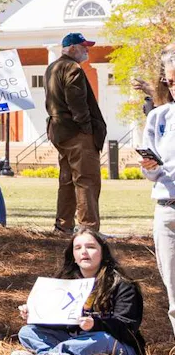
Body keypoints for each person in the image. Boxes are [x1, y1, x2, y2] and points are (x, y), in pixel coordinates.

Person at [12, 231, 145, 355]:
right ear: (73, 256)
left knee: (100, 340)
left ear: (103, 253)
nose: (84, 252)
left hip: (114, 343)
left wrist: (95, 324)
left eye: (91, 247)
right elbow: (58, 321)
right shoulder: (65, 283)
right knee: (27, 332)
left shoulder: (123, 285)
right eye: (78, 248)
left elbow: (128, 327)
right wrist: (34, 314)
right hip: (74, 339)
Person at [45, 32, 106, 233]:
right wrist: (88, 129)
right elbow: (77, 103)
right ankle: (88, 228)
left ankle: (63, 226)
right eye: (83, 46)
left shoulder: (52, 67)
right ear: (71, 48)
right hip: (76, 133)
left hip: (60, 132)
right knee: (86, 180)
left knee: (67, 180)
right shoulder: (72, 67)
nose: (87, 50)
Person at [138, 45, 175, 346]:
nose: (174, 88)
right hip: (167, 211)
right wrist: (149, 167)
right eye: (171, 82)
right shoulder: (159, 118)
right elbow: (152, 173)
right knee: (174, 295)